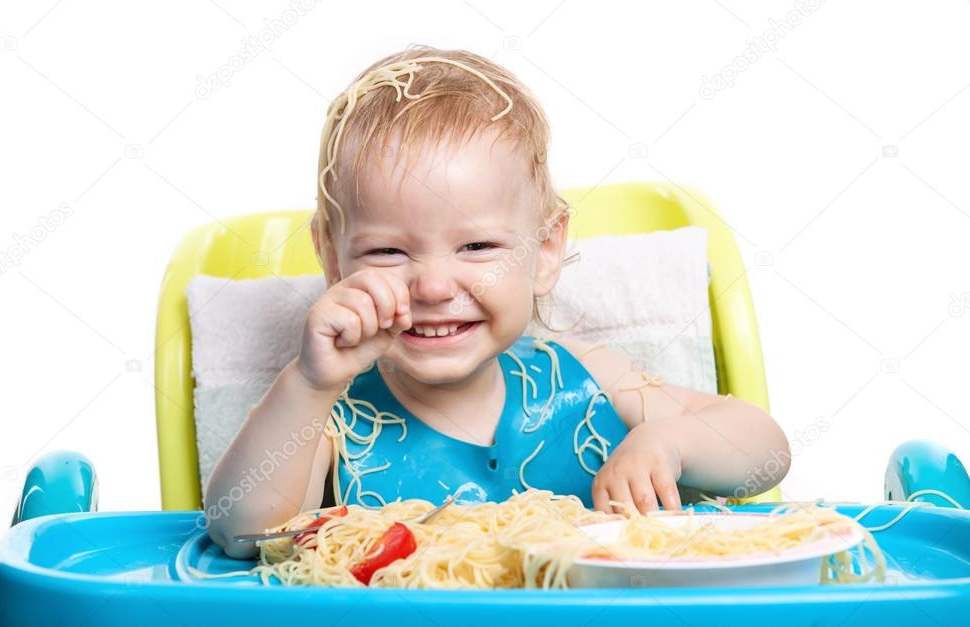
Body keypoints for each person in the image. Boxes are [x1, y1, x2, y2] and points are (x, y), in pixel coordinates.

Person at [206, 47, 790, 557]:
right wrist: (309, 386)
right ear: (333, 261)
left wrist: (668, 442)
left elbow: (765, 451)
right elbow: (242, 534)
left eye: (478, 246)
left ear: (544, 251)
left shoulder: (585, 379)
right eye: (386, 251)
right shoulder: (331, 420)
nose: (433, 288)